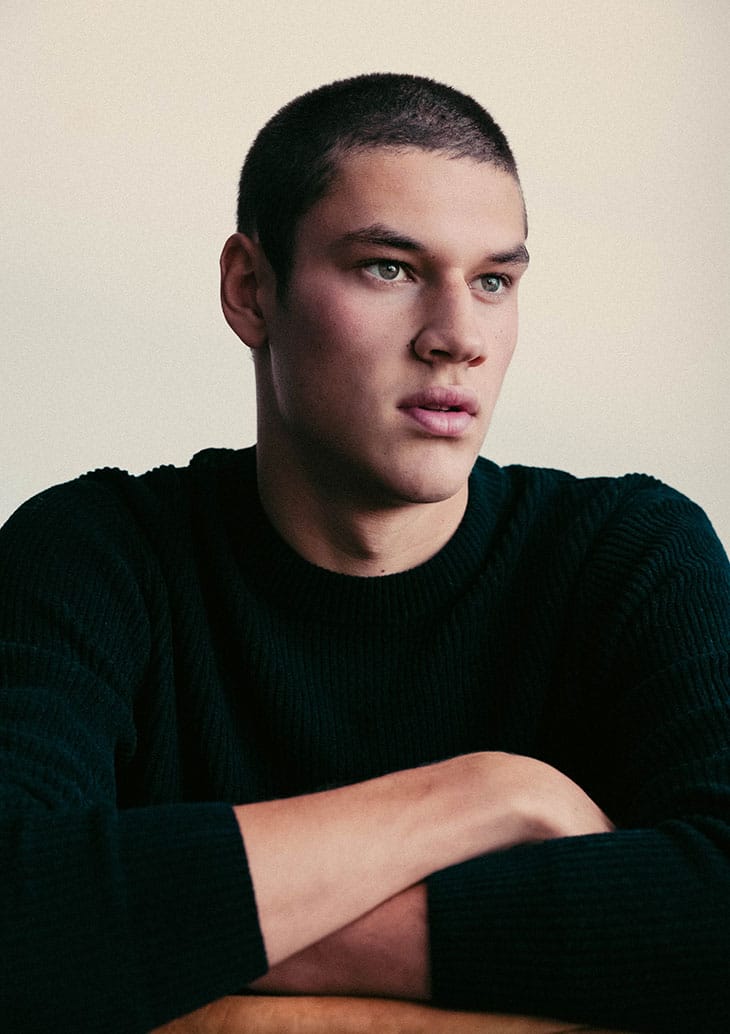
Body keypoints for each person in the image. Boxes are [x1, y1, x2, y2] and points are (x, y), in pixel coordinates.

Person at [0, 73, 728, 1034]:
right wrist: (485, 794)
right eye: (389, 268)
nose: (457, 338)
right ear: (251, 290)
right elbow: (14, 916)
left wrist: (209, 984)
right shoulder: (94, 554)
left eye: (494, 281)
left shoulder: (629, 556)